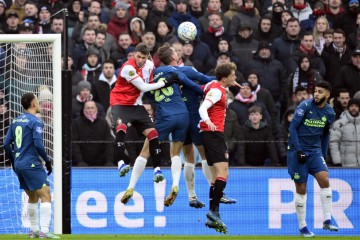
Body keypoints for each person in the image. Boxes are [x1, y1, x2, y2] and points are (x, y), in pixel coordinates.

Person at [110, 43, 178, 204]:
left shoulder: (149, 65)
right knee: (121, 128)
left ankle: (157, 169)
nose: (140, 60)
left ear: (148, 57)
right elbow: (144, 86)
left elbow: (152, 79)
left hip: (136, 104)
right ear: (134, 54)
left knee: (153, 134)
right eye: (138, 56)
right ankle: (121, 163)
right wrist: (166, 82)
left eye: (143, 57)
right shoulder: (128, 68)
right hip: (120, 103)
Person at [148, 43, 204, 207]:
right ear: (174, 57)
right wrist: (218, 84)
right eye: (176, 51)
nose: (178, 53)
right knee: (194, 157)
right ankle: (193, 195)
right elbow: (199, 83)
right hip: (188, 117)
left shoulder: (155, 74)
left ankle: (175, 186)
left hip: (166, 116)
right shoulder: (184, 70)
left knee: (152, 150)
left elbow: (150, 93)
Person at [3, 93, 59, 239]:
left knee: (32, 196)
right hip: (32, 163)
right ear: (34, 104)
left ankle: (34, 230)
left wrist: (14, 162)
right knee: (46, 194)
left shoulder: (15, 121)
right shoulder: (36, 121)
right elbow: (39, 144)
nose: (39, 104)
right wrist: (47, 161)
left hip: (19, 164)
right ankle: (45, 231)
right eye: (38, 101)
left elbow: (5, 144)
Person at [287, 81, 339, 237]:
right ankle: (303, 227)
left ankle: (327, 220)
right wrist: (299, 150)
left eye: (320, 91)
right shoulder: (305, 106)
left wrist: (323, 153)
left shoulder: (330, 113)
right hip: (298, 151)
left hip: (315, 152)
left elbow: (325, 134)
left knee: (324, 179)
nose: (316, 94)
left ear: (328, 95)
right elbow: (292, 128)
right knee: (301, 188)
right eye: (315, 91)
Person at [199, 62, 237, 234]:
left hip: (210, 134)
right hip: (213, 133)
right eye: (233, 75)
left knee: (216, 175)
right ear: (224, 78)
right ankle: (214, 210)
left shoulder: (214, 86)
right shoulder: (216, 91)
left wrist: (233, 84)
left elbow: (205, 85)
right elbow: (203, 107)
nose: (235, 77)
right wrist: (207, 121)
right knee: (224, 173)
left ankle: (212, 216)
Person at [72, 100, 114, 166]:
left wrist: (109, 161)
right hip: (81, 163)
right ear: (84, 109)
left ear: (96, 109)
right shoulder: (76, 123)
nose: (90, 110)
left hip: (100, 163)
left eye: (92, 108)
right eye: (88, 108)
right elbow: (75, 144)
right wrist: (79, 161)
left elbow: (108, 143)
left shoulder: (103, 122)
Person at [329, 98, 360, 167]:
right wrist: (337, 162)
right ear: (348, 108)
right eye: (352, 106)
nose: (354, 108)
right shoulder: (339, 124)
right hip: (345, 167)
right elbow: (334, 143)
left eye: (356, 106)